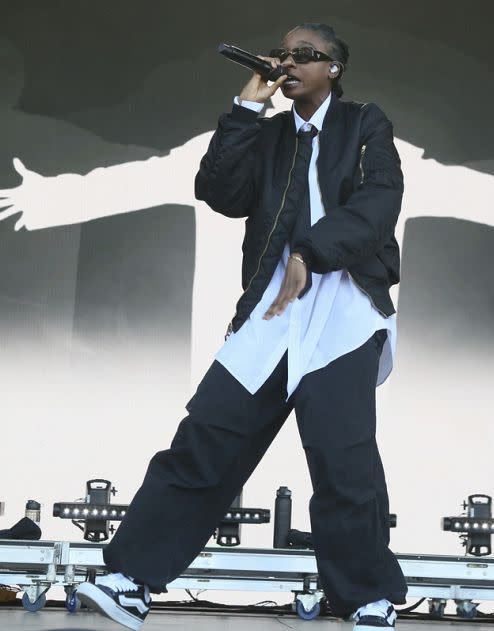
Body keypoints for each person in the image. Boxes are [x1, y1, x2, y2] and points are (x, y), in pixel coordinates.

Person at [74, 22, 407, 630]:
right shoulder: (270, 132)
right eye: (283, 53)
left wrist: (310, 252)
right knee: (204, 441)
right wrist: (246, 108)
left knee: (343, 462)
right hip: (273, 313)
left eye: (306, 54)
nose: (289, 61)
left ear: (334, 68)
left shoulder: (365, 123)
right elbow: (219, 190)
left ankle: (366, 599)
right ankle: (130, 580)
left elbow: (380, 202)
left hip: (342, 314)